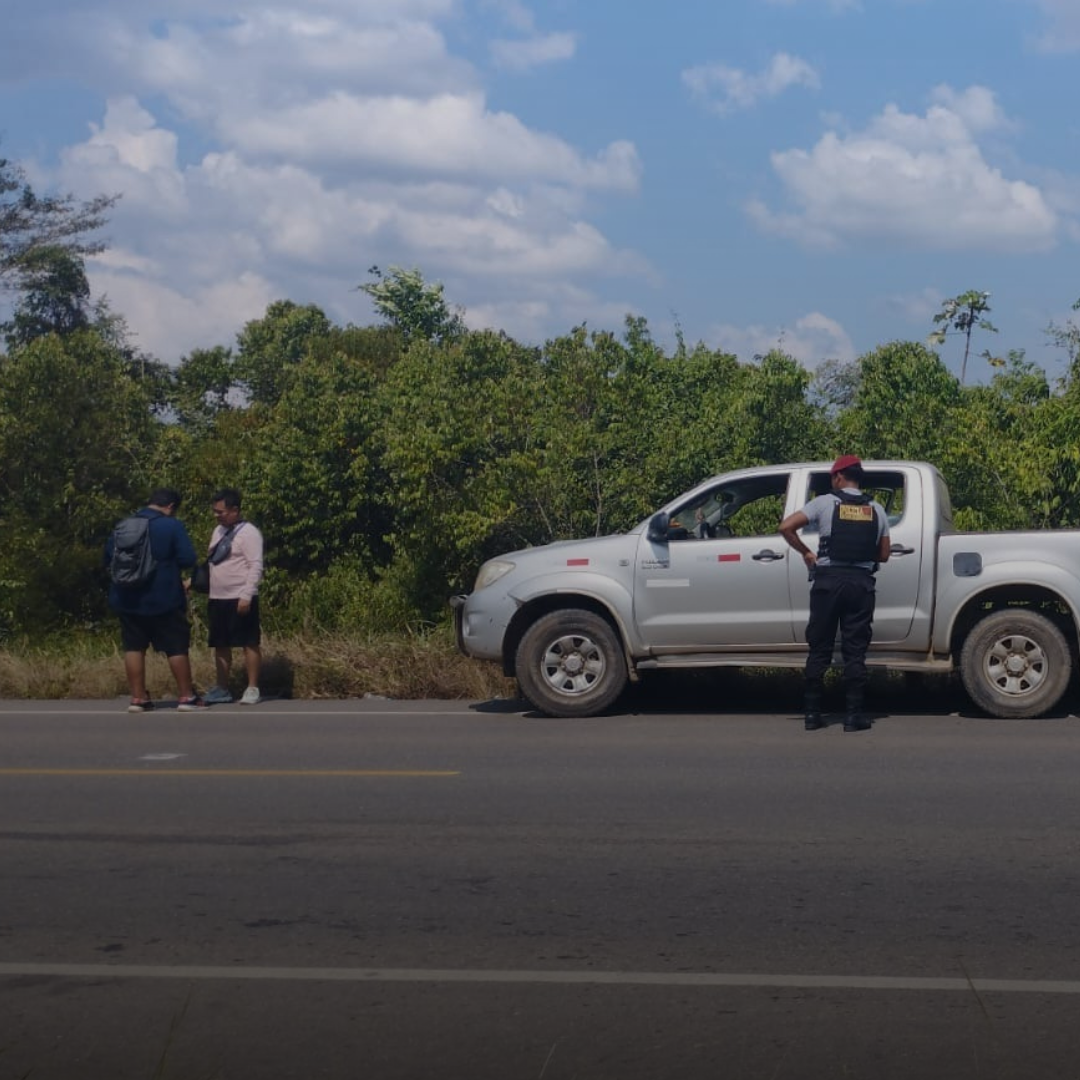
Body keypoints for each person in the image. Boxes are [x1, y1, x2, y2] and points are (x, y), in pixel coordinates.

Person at [779, 455, 891, 733]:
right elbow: (885, 555)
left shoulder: (825, 503)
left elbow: (785, 527)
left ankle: (812, 715)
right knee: (855, 651)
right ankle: (854, 717)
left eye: (832, 477)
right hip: (861, 585)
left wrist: (806, 552)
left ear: (839, 476)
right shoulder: (876, 509)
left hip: (828, 583)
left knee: (820, 648)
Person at [105, 488, 205, 712]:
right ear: (170, 506)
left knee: (133, 647)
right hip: (164, 597)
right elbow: (188, 558)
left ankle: (138, 698)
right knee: (176, 647)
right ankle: (186, 697)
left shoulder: (123, 526)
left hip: (127, 598)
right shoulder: (171, 526)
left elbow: (108, 558)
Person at [201, 487, 264, 705]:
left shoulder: (249, 533)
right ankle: (222, 688)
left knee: (249, 642)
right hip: (218, 597)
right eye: (215, 511)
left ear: (235, 510)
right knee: (220, 644)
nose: (217, 516)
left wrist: (246, 595)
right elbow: (213, 562)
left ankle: (253, 687)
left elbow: (255, 565)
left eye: (221, 512)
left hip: (240, 597)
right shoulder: (217, 532)